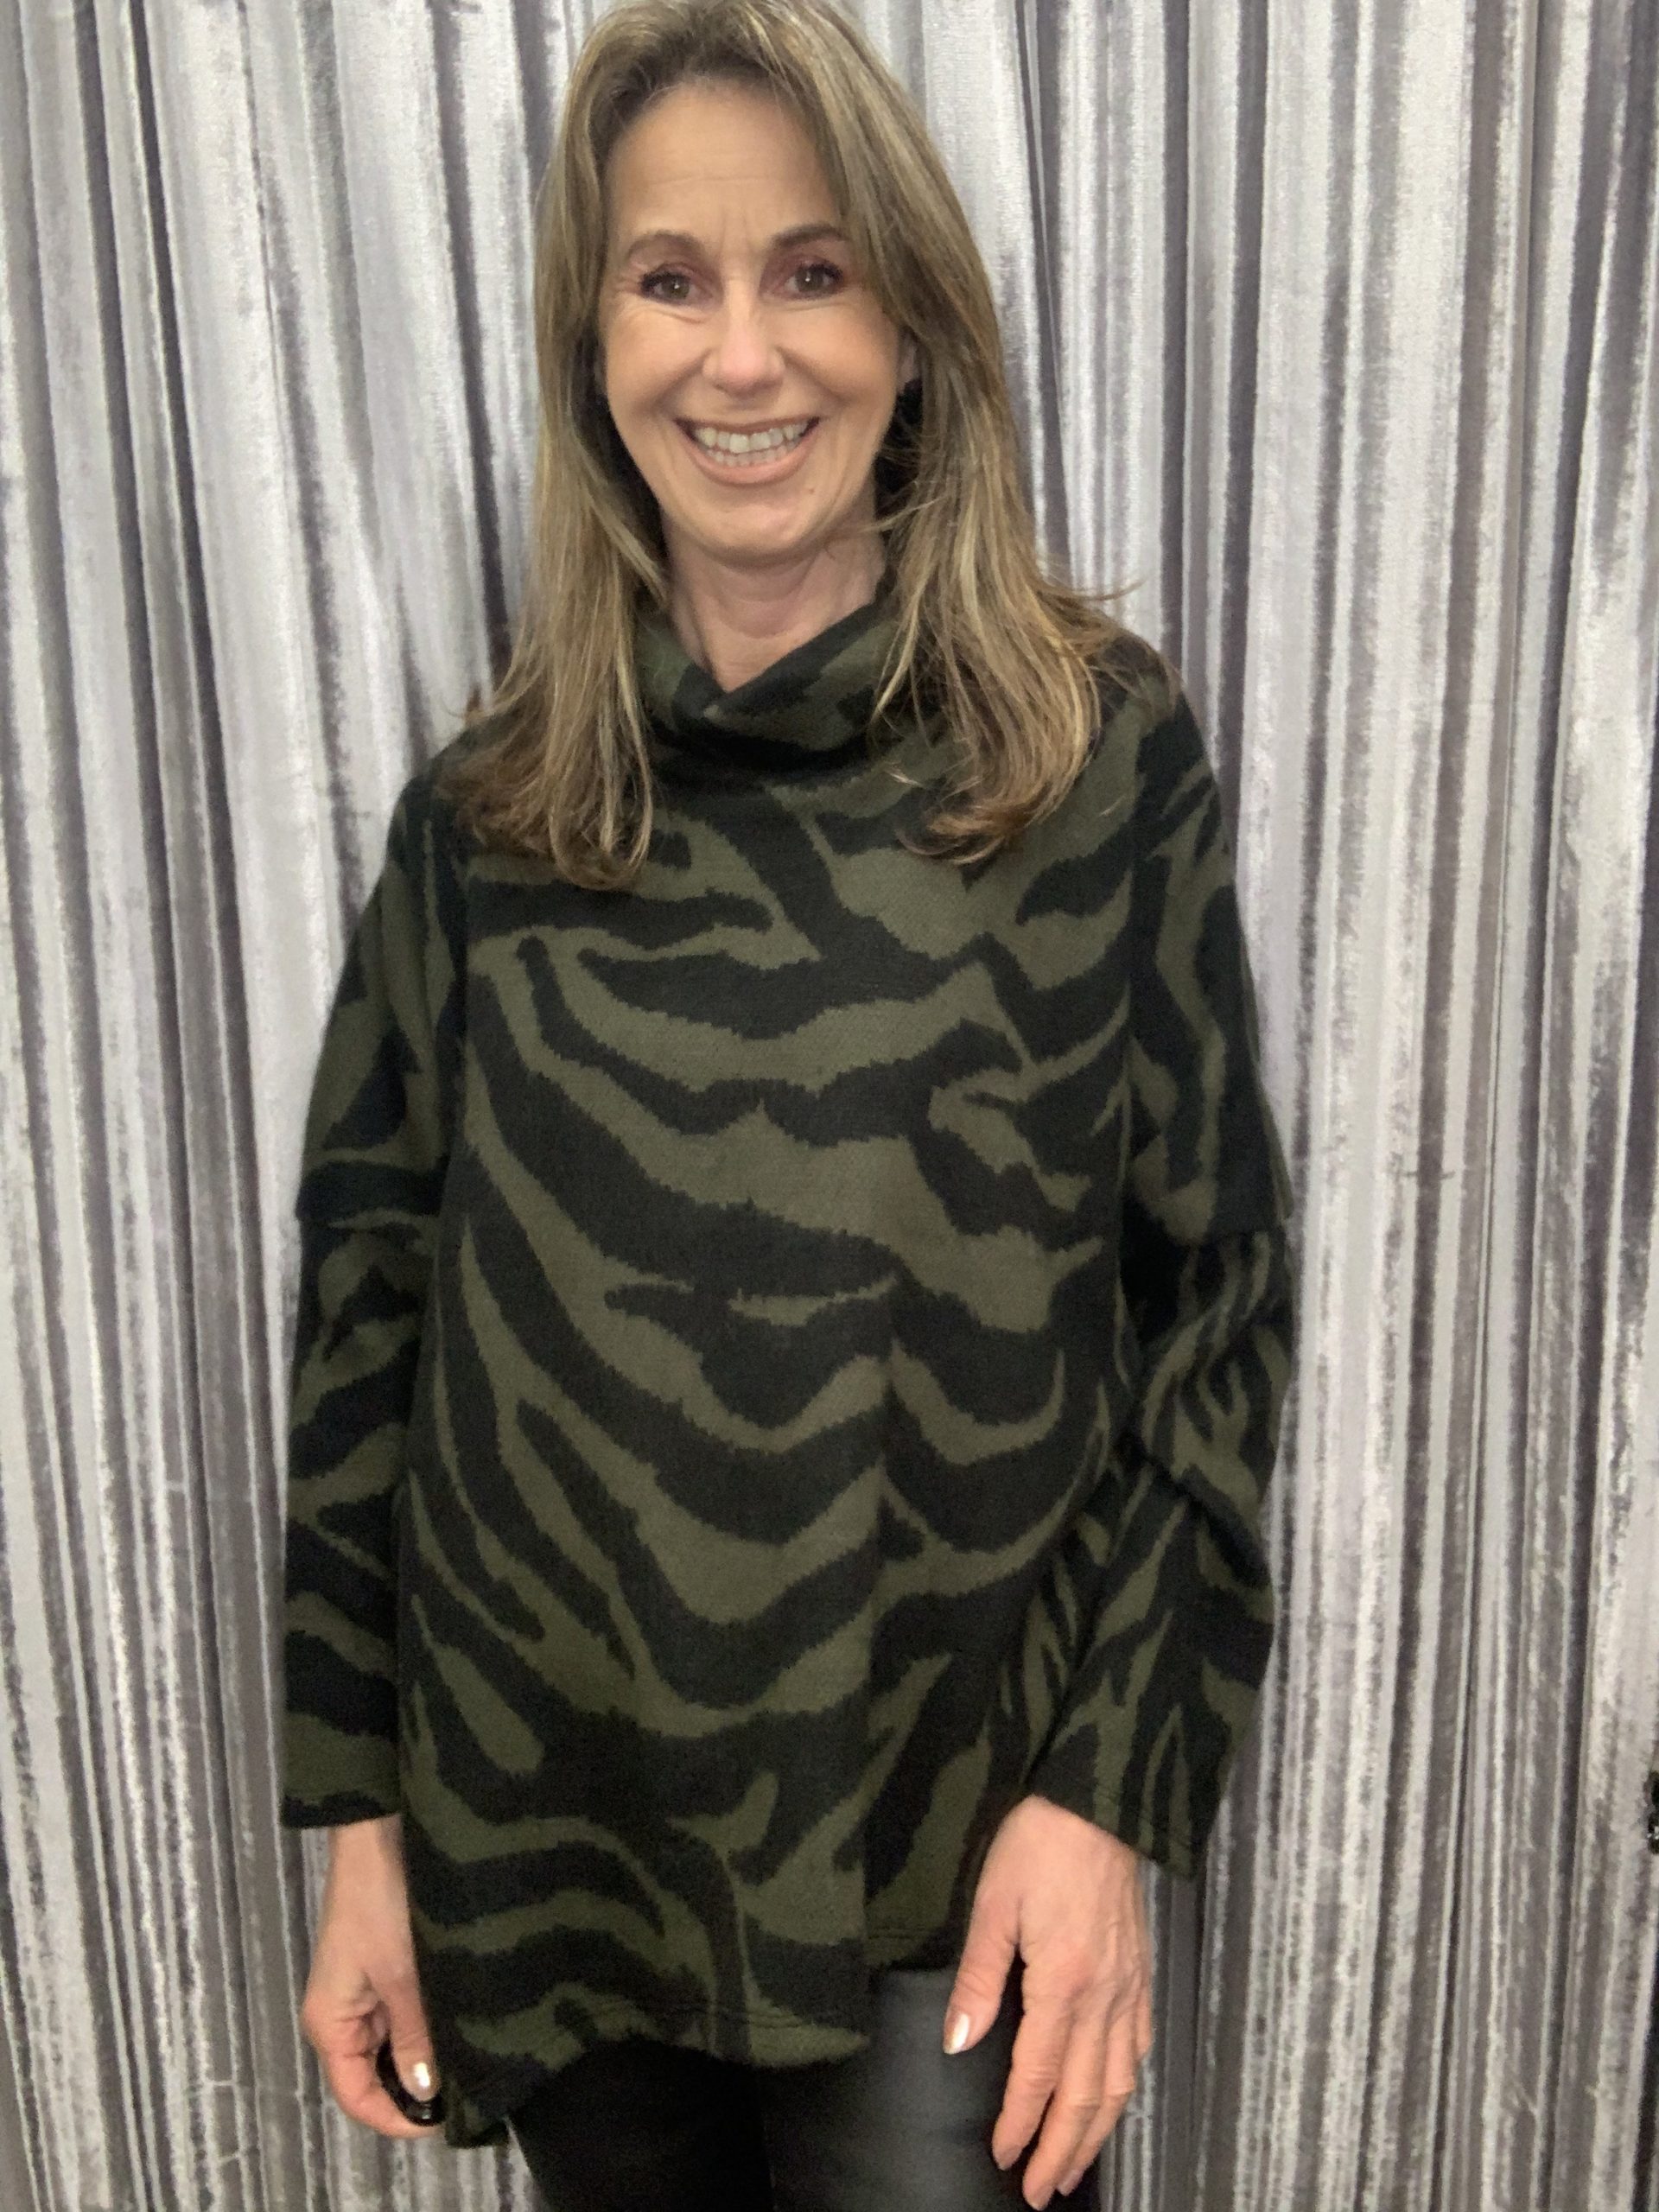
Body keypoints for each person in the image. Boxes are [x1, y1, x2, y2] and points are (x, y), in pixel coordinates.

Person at [277, 3, 1297, 2208]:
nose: (742, 356)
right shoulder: (489, 815)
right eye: (673, 278)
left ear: (911, 327)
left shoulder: (1089, 759)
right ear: (596, 346)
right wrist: (363, 1821)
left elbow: (1217, 1297)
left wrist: (1109, 1791)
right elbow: (368, 1319)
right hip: (548, 1848)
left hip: (945, 1862)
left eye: (811, 271)